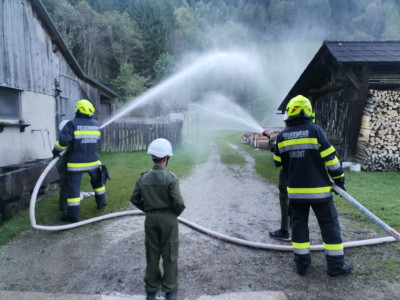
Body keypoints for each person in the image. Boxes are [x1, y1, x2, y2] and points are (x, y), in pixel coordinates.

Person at [274, 95, 351, 277]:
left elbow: (279, 163)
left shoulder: (282, 136)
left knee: (299, 228)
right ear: (309, 112)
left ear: (290, 114)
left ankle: (301, 265)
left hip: (296, 194)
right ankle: (335, 266)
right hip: (320, 194)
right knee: (329, 227)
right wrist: (339, 179)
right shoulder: (316, 131)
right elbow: (331, 159)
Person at [131, 138, 185, 300]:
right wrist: (174, 213)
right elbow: (179, 202)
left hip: (151, 220)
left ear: (152, 157)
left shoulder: (143, 178)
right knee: (170, 254)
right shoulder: (171, 178)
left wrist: (148, 209)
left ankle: (151, 290)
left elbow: (134, 199)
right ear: (166, 158)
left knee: (152, 254)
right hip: (169, 220)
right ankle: (169, 290)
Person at [52, 99, 106, 223]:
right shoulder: (96, 124)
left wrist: (55, 151)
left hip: (76, 164)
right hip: (93, 162)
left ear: (78, 109)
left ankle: (73, 216)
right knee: (98, 184)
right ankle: (102, 203)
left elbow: (63, 143)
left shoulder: (72, 124)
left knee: (74, 190)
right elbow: (97, 141)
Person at [263, 122, 291, 242]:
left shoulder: (286, 134)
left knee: (285, 197)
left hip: (288, 172)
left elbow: (275, 148)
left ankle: (285, 231)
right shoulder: (314, 131)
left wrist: (271, 137)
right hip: (305, 174)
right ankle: (294, 223)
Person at [56, 119, 69, 220]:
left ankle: (65, 208)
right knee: (65, 186)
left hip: (67, 165)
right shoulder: (64, 140)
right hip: (64, 165)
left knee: (66, 186)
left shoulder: (67, 138)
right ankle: (64, 208)